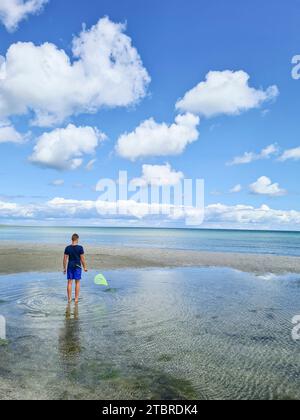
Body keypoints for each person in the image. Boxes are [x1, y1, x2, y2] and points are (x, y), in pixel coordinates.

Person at [63, 234, 88, 304]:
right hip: (77, 266)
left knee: (69, 282)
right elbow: (82, 259)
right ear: (77, 239)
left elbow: (65, 259)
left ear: (72, 239)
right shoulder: (80, 248)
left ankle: (69, 299)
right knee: (77, 282)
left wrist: (64, 268)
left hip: (70, 266)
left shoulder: (67, 248)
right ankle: (76, 299)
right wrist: (85, 267)